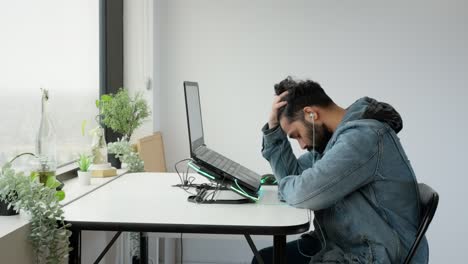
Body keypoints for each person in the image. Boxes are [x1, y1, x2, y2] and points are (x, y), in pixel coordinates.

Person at [253, 77, 428, 264]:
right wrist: (273, 129)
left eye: (297, 135)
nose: (302, 145)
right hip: (346, 244)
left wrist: (287, 188)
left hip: (378, 254)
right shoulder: (335, 142)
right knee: (265, 260)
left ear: (311, 114)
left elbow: (302, 194)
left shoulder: (362, 138)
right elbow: (295, 179)